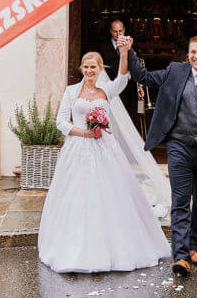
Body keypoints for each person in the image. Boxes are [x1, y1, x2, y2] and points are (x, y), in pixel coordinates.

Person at [37, 44, 171, 273]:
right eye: (86, 67)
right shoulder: (71, 91)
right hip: (78, 148)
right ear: (81, 69)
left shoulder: (107, 90)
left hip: (105, 149)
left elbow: (122, 77)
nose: (89, 71)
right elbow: (61, 121)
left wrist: (124, 54)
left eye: (93, 67)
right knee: (77, 194)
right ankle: (75, 247)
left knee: (110, 193)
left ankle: (115, 245)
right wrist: (84, 132)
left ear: (100, 68)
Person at [125, 34, 197, 275]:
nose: (196, 56)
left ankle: (193, 246)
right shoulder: (175, 71)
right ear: (188, 54)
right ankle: (180, 256)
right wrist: (129, 52)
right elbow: (144, 78)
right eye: (193, 52)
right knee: (180, 200)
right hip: (179, 146)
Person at [99, 19, 142, 114]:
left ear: (124, 30)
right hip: (110, 85)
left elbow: (136, 64)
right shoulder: (102, 46)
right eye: (115, 31)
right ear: (110, 31)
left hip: (127, 88)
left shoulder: (132, 44)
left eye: (120, 31)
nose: (118, 34)